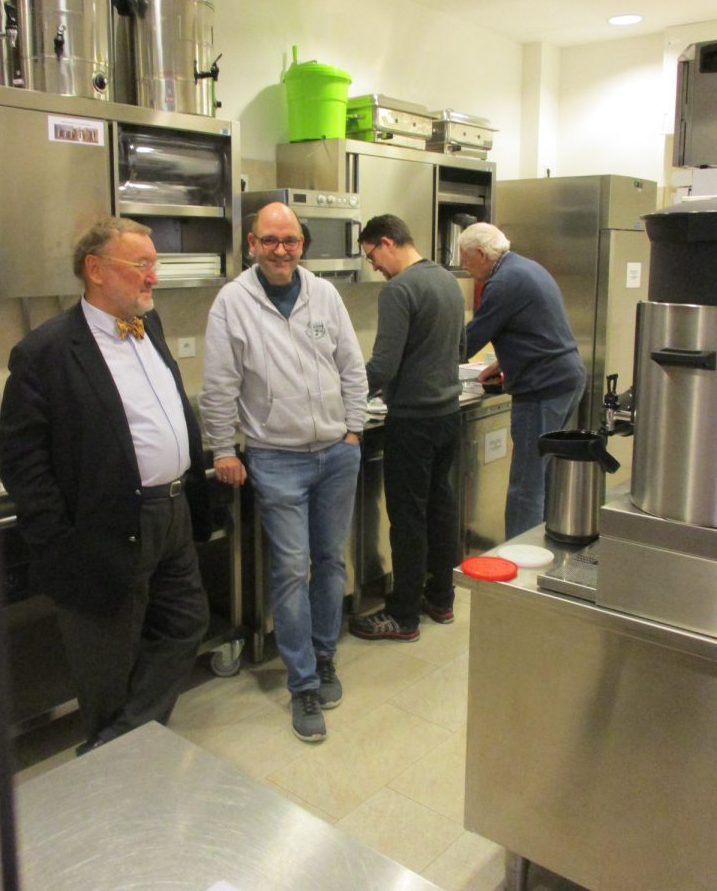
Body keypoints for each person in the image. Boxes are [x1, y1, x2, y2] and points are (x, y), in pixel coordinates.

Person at [0, 218, 210, 755]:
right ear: (95, 270)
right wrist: (59, 539)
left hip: (173, 512)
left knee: (186, 624)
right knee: (109, 662)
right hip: (106, 525)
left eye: (154, 265)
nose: (152, 277)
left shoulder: (148, 324)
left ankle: (115, 745)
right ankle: (118, 759)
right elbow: (20, 459)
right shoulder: (45, 351)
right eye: (141, 265)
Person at [199, 201, 367, 742]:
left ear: (301, 244)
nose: (280, 250)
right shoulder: (233, 302)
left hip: (336, 453)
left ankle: (325, 657)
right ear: (252, 244)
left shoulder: (324, 293)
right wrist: (222, 448)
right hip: (276, 458)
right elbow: (219, 384)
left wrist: (354, 429)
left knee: (330, 562)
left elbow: (351, 366)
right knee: (292, 569)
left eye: (290, 240)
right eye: (269, 240)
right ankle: (303, 684)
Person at [348, 215, 466, 642]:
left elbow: (383, 365)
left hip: (413, 422)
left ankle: (402, 615)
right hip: (448, 416)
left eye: (371, 256)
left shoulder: (398, 289)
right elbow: (459, 347)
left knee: (408, 519)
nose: (374, 266)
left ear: (386, 242)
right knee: (440, 510)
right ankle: (441, 598)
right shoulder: (448, 280)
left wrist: (345, 394)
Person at [458, 221, 586, 540]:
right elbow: (536, 329)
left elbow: (468, 341)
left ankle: (518, 561)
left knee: (526, 485)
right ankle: (541, 548)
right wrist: (502, 363)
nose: (464, 267)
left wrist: (428, 358)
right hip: (565, 378)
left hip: (542, 388)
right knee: (541, 476)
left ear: (481, 253)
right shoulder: (527, 268)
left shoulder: (503, 282)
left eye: (465, 259)